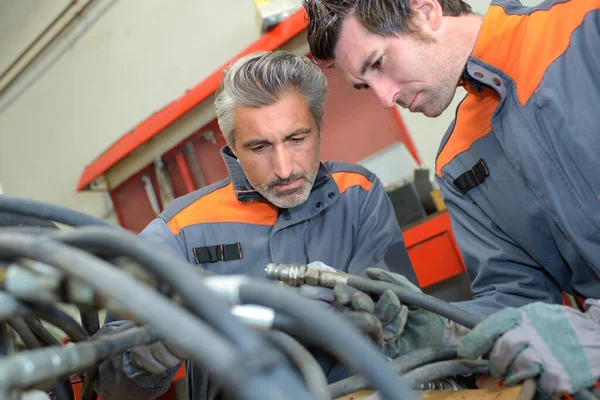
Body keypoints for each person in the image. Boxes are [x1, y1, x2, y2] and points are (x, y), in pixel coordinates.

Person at [302, 0, 600, 396]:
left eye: (378, 64)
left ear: (426, 11)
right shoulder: (459, 163)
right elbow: (517, 298)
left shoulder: (585, 26)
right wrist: (443, 327)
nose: (385, 97)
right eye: (365, 85)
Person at [94, 50, 415, 400]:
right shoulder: (183, 231)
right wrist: (144, 355)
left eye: (296, 139)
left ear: (318, 128)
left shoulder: (358, 195)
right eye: (259, 146)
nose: (284, 168)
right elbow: (110, 382)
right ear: (232, 146)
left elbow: (409, 322)